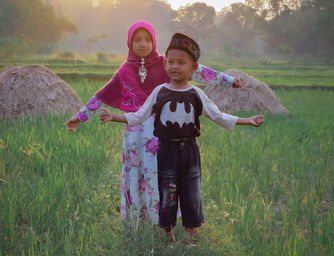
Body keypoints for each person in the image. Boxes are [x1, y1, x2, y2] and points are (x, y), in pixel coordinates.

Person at [65, 20, 242, 225]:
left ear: (154, 41)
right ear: (129, 43)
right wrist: (79, 117)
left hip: (162, 130)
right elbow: (102, 96)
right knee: (137, 172)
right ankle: (138, 219)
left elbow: (199, 69)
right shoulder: (124, 71)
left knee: (162, 173)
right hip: (135, 133)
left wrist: (228, 80)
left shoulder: (166, 61)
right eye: (137, 40)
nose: (143, 44)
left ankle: (163, 219)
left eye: (147, 39)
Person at [100, 33, 264, 246]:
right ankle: (168, 236)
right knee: (167, 191)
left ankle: (189, 238)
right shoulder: (159, 92)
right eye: (170, 62)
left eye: (181, 62)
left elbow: (218, 116)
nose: (174, 66)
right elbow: (139, 116)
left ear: (194, 68)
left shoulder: (196, 94)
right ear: (165, 63)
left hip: (190, 152)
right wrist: (114, 117)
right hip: (166, 151)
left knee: (191, 192)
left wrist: (247, 120)